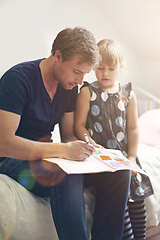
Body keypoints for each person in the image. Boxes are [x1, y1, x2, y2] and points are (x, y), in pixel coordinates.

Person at [0, 27, 130, 240]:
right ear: (58, 56)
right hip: (12, 159)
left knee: (119, 172)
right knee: (65, 173)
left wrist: (89, 147)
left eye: (85, 74)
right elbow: (4, 143)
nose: (80, 82)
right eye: (77, 72)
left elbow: (68, 135)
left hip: (48, 156)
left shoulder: (68, 86)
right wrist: (62, 150)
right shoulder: (17, 79)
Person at [74, 39, 153, 240]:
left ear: (121, 67)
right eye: (100, 68)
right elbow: (79, 125)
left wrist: (133, 157)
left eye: (111, 68)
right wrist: (89, 141)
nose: (105, 73)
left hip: (125, 157)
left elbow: (134, 128)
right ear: (93, 67)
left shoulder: (128, 94)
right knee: (119, 202)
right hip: (100, 157)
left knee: (137, 199)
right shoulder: (87, 92)